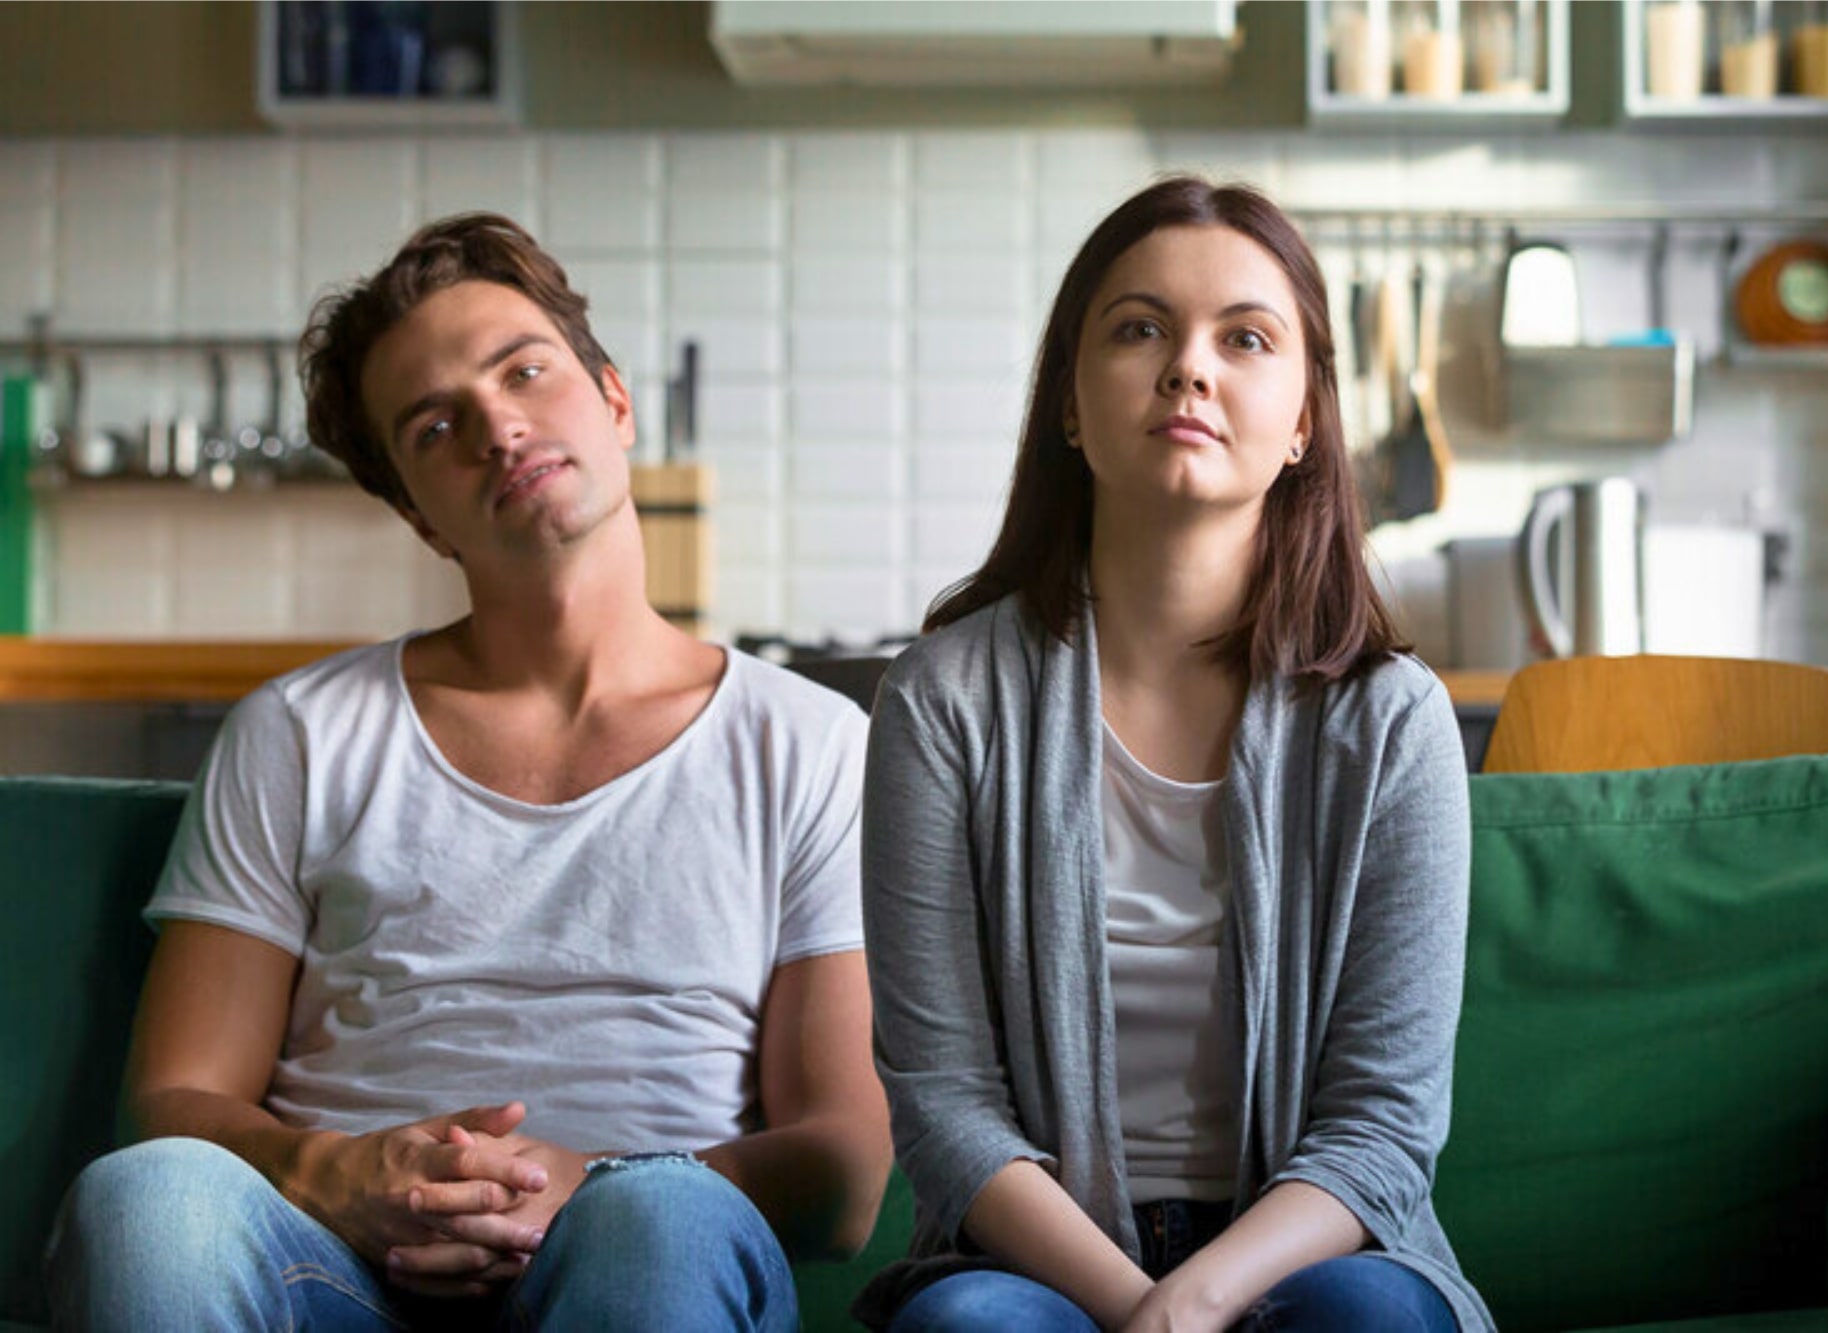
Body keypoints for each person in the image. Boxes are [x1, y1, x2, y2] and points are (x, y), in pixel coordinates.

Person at [44, 214, 891, 1331]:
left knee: (662, 1221)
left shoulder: (813, 745)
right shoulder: (298, 732)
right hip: (336, 1274)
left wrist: (583, 1183)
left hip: (640, 1252)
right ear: (415, 515)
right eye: (437, 424)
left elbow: (842, 1175)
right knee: (145, 1200)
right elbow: (171, 1103)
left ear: (615, 399)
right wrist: (339, 1176)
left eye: (524, 371)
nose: (497, 424)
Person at [857, 177, 1491, 1333]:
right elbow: (945, 1110)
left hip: (1309, 1251)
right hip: (1029, 1262)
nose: (1187, 366)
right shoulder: (941, 701)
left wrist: (1194, 1299)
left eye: (1243, 338)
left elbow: (1382, 1128)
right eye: (1138, 328)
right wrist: (1135, 1307)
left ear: (1303, 419)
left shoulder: (1391, 723)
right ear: (1067, 404)